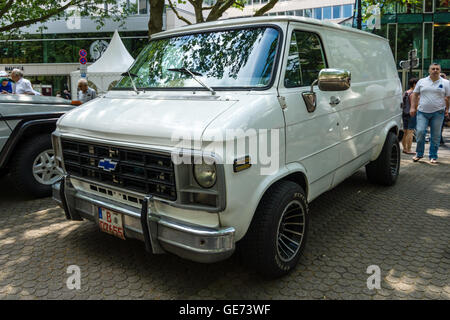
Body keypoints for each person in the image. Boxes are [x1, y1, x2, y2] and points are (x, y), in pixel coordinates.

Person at [410, 63, 450, 164]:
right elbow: (415, 94)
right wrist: (412, 107)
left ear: (440, 71)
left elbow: (448, 97)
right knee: (420, 132)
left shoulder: (445, 82)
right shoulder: (422, 81)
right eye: (433, 69)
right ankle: (419, 154)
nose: (435, 70)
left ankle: (433, 156)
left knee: (435, 136)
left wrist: (447, 110)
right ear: (429, 70)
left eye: (437, 69)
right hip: (422, 112)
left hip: (438, 112)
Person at [401, 78, 418, 154]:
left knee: (405, 132)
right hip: (412, 114)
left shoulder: (406, 92)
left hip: (404, 113)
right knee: (410, 132)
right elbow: (414, 105)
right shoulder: (413, 93)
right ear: (414, 84)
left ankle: (404, 148)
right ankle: (409, 149)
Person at [439, 73, 449, 145]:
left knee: (440, 124)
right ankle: (439, 138)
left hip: (443, 108)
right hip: (443, 108)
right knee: (440, 124)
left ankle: (439, 138)